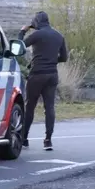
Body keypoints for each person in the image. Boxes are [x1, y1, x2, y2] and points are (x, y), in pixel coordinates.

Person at [18, 11, 68, 150]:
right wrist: (51, 61)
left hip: (37, 74)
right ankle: (48, 140)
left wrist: (22, 31)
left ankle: (24, 139)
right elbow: (64, 58)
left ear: (36, 21)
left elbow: (19, 48)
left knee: (30, 106)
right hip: (52, 75)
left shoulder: (37, 35)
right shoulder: (59, 36)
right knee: (49, 107)